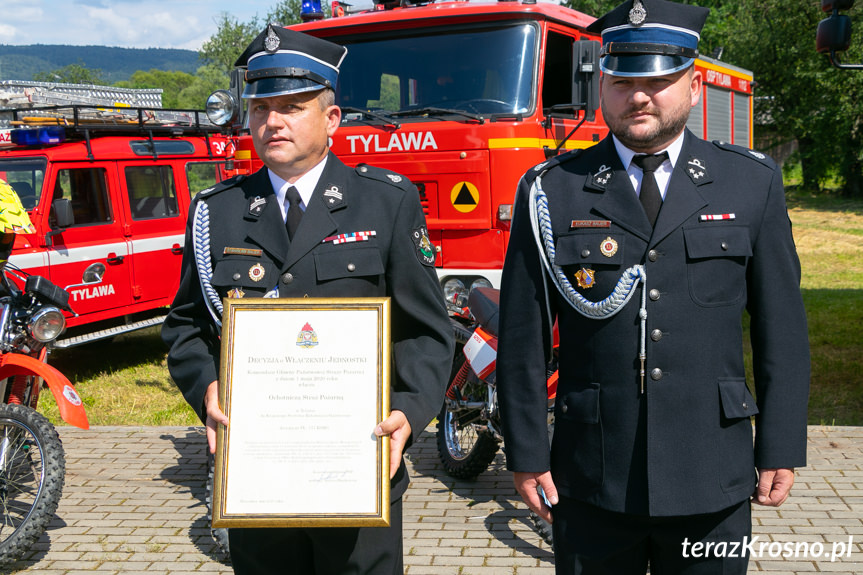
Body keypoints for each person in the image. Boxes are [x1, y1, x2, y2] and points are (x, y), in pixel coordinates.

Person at [496, 0, 810, 573]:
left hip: (711, 467)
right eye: (621, 81)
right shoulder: (552, 188)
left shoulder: (749, 182)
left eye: (658, 80)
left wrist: (782, 442)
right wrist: (526, 450)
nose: (638, 96)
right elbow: (523, 335)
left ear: (693, 86)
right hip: (591, 473)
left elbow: (781, 329)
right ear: (602, 88)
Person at [161, 25, 453, 575]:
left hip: (358, 465)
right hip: (258, 476)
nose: (272, 122)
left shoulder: (385, 203)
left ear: (332, 119)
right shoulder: (216, 211)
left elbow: (426, 331)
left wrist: (409, 414)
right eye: (260, 108)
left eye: (292, 107)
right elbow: (184, 326)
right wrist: (208, 390)